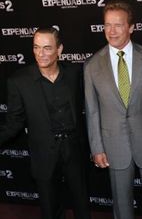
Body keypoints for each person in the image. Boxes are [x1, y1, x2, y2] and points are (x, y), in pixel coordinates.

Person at [84, 1, 142, 219]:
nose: (112, 31)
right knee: (121, 205)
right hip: (114, 145)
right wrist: (97, 147)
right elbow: (92, 111)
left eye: (118, 25)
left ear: (131, 27)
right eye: (107, 25)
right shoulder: (92, 65)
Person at [0, 27, 91, 219]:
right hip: (44, 155)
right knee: (50, 210)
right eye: (36, 47)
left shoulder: (75, 74)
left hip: (74, 150)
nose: (40, 54)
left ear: (59, 50)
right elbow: (13, 124)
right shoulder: (18, 81)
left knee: (82, 205)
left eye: (47, 48)